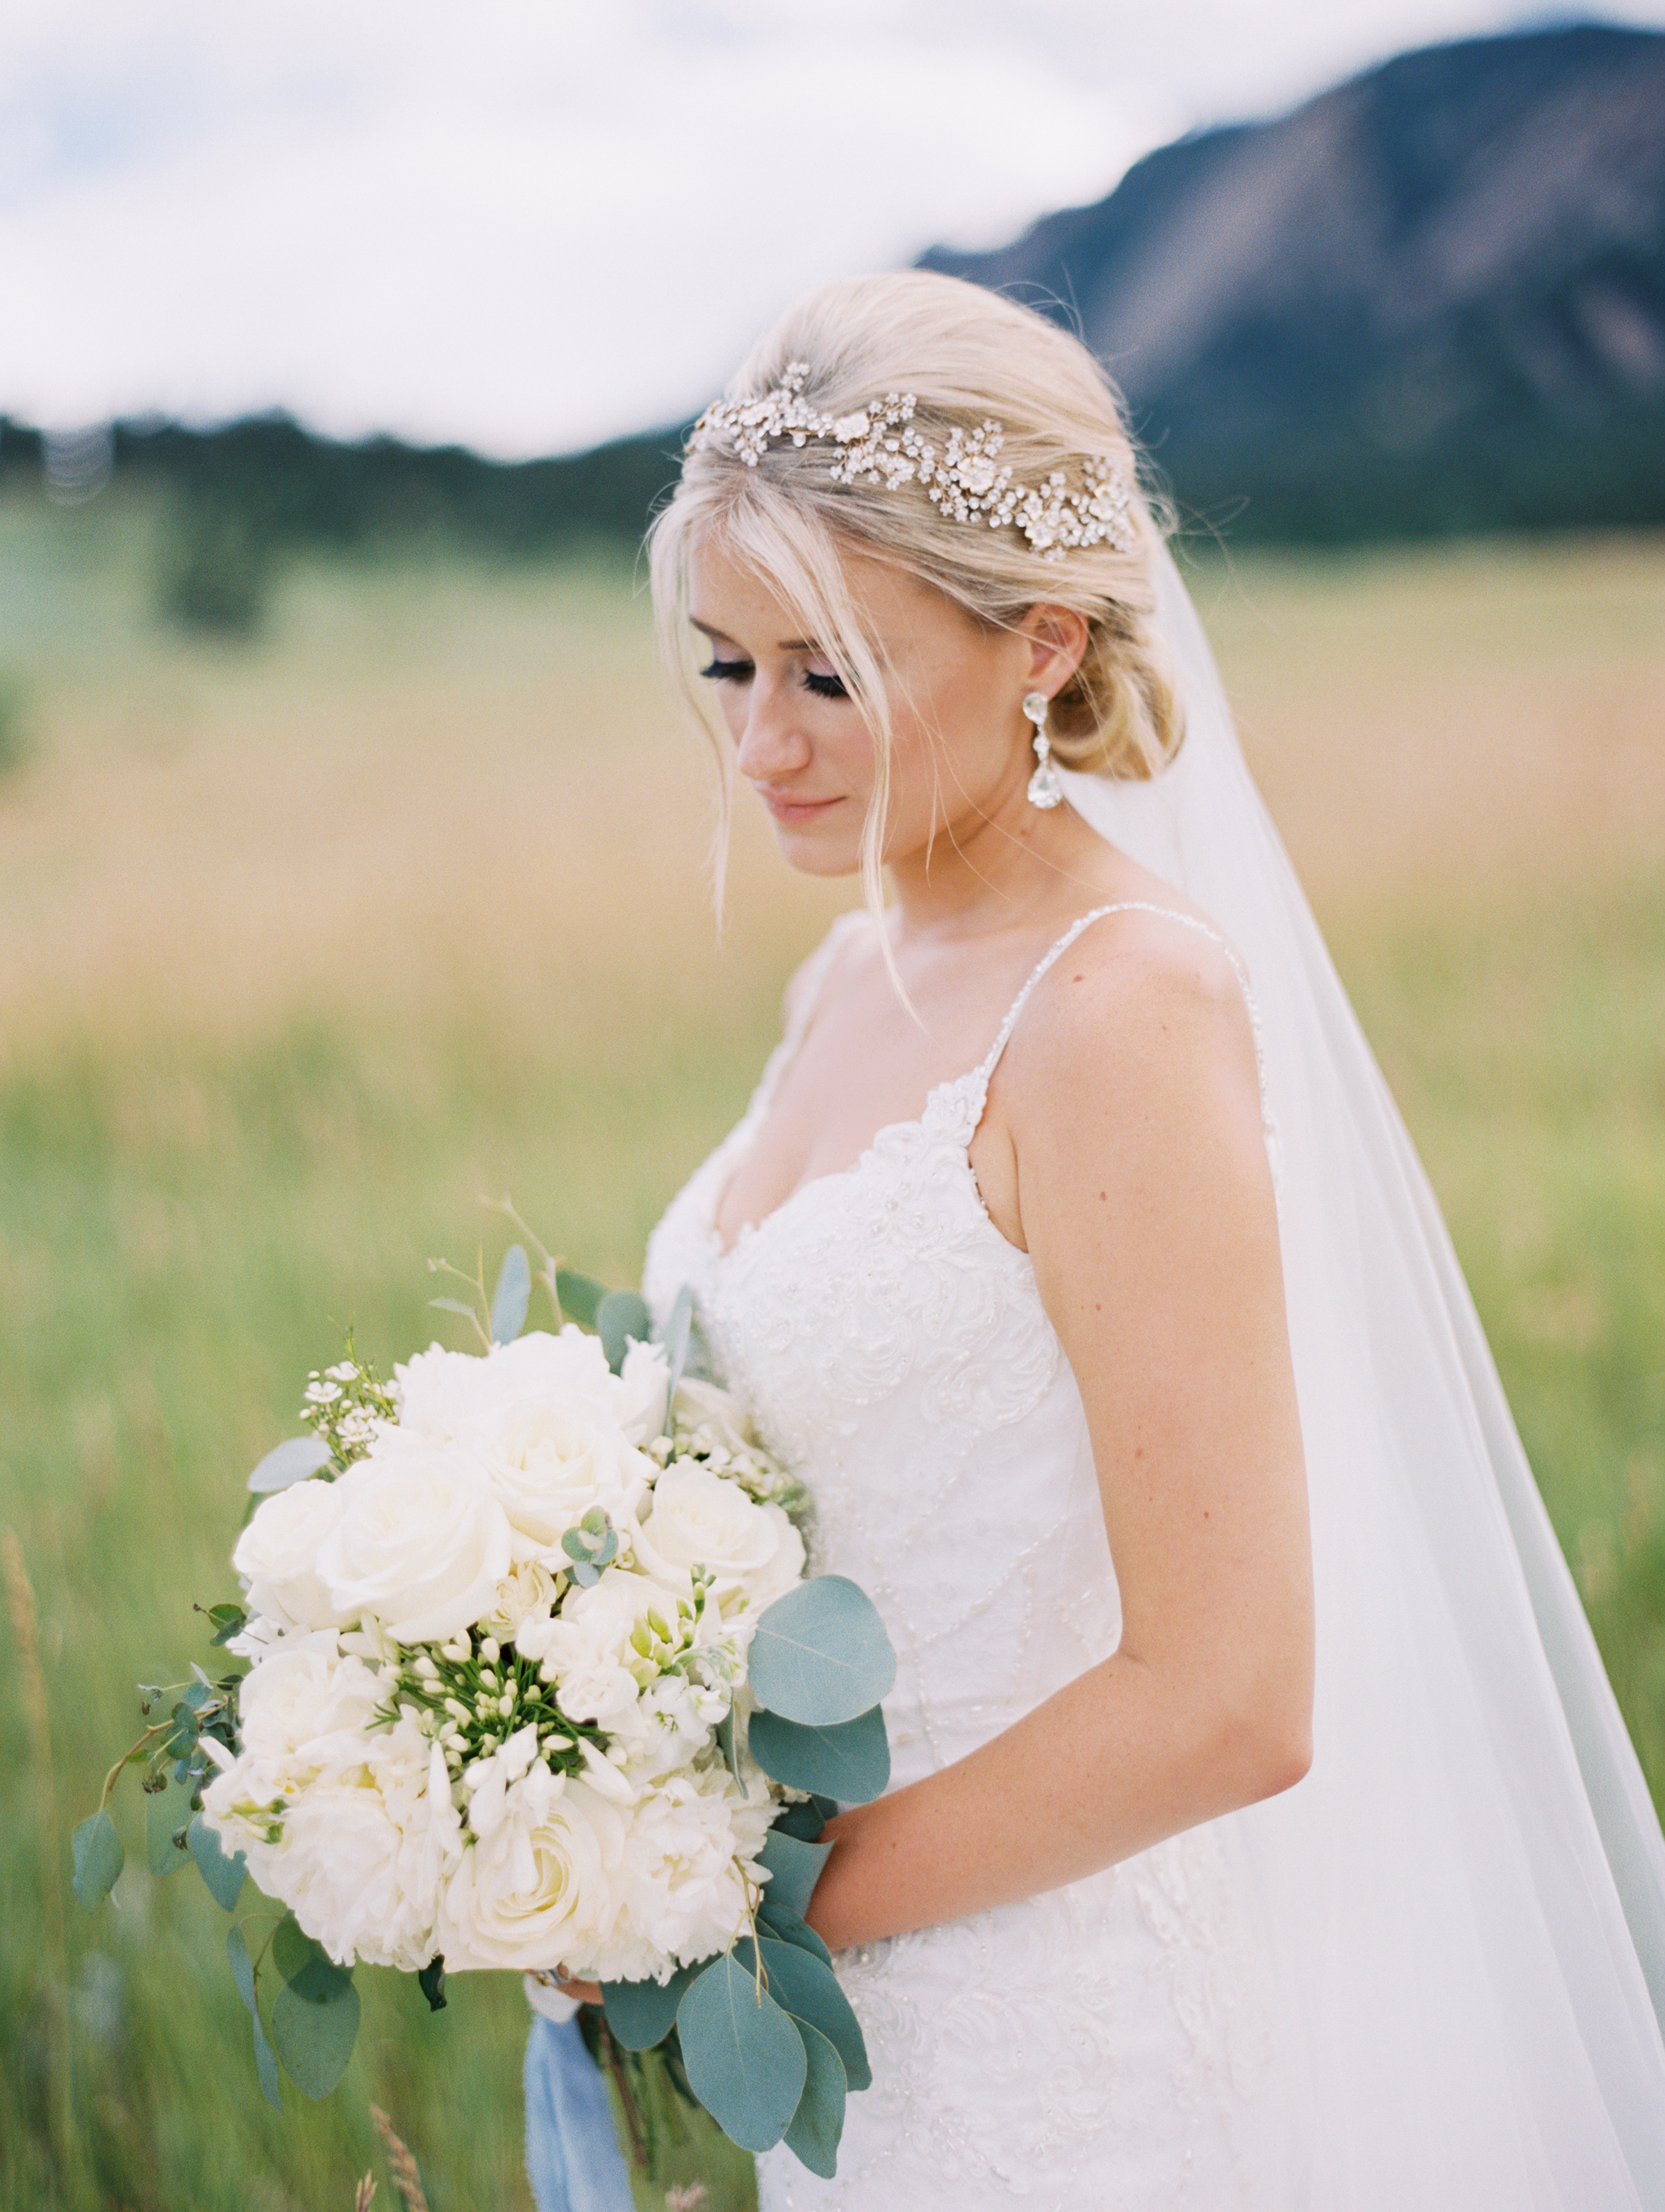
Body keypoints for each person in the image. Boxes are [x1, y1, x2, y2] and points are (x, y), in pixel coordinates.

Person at [537, 270, 1665, 2209]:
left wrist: (734, 1911)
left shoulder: (1117, 1008)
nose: (764, 745)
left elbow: (1229, 1696)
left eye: (832, 672)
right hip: (853, 2061)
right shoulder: (851, 970)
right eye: (727, 666)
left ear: (1040, 644)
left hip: (1059, 2067)